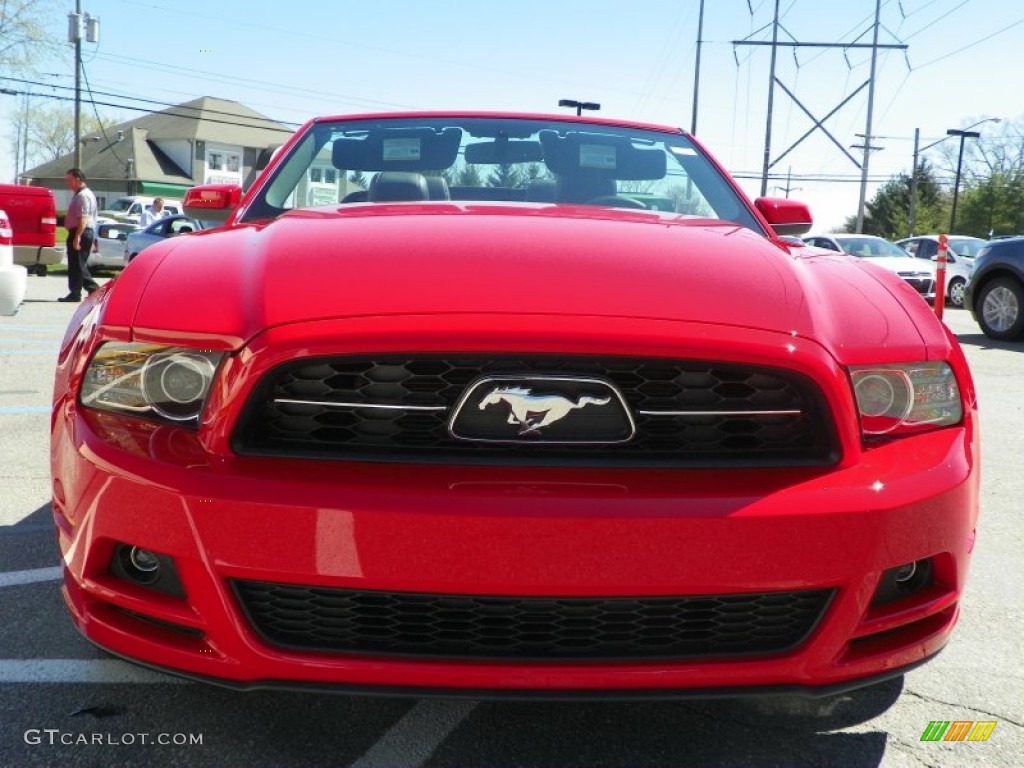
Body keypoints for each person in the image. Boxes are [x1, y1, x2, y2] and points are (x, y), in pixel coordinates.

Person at [59, 168, 100, 302]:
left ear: (78, 179)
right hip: (81, 231)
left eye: (69, 180)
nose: (68, 183)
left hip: (80, 231)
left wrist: (77, 236)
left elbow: (83, 218)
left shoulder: (83, 196)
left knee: (78, 264)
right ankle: (75, 292)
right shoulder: (81, 194)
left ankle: (94, 289)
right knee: (75, 264)